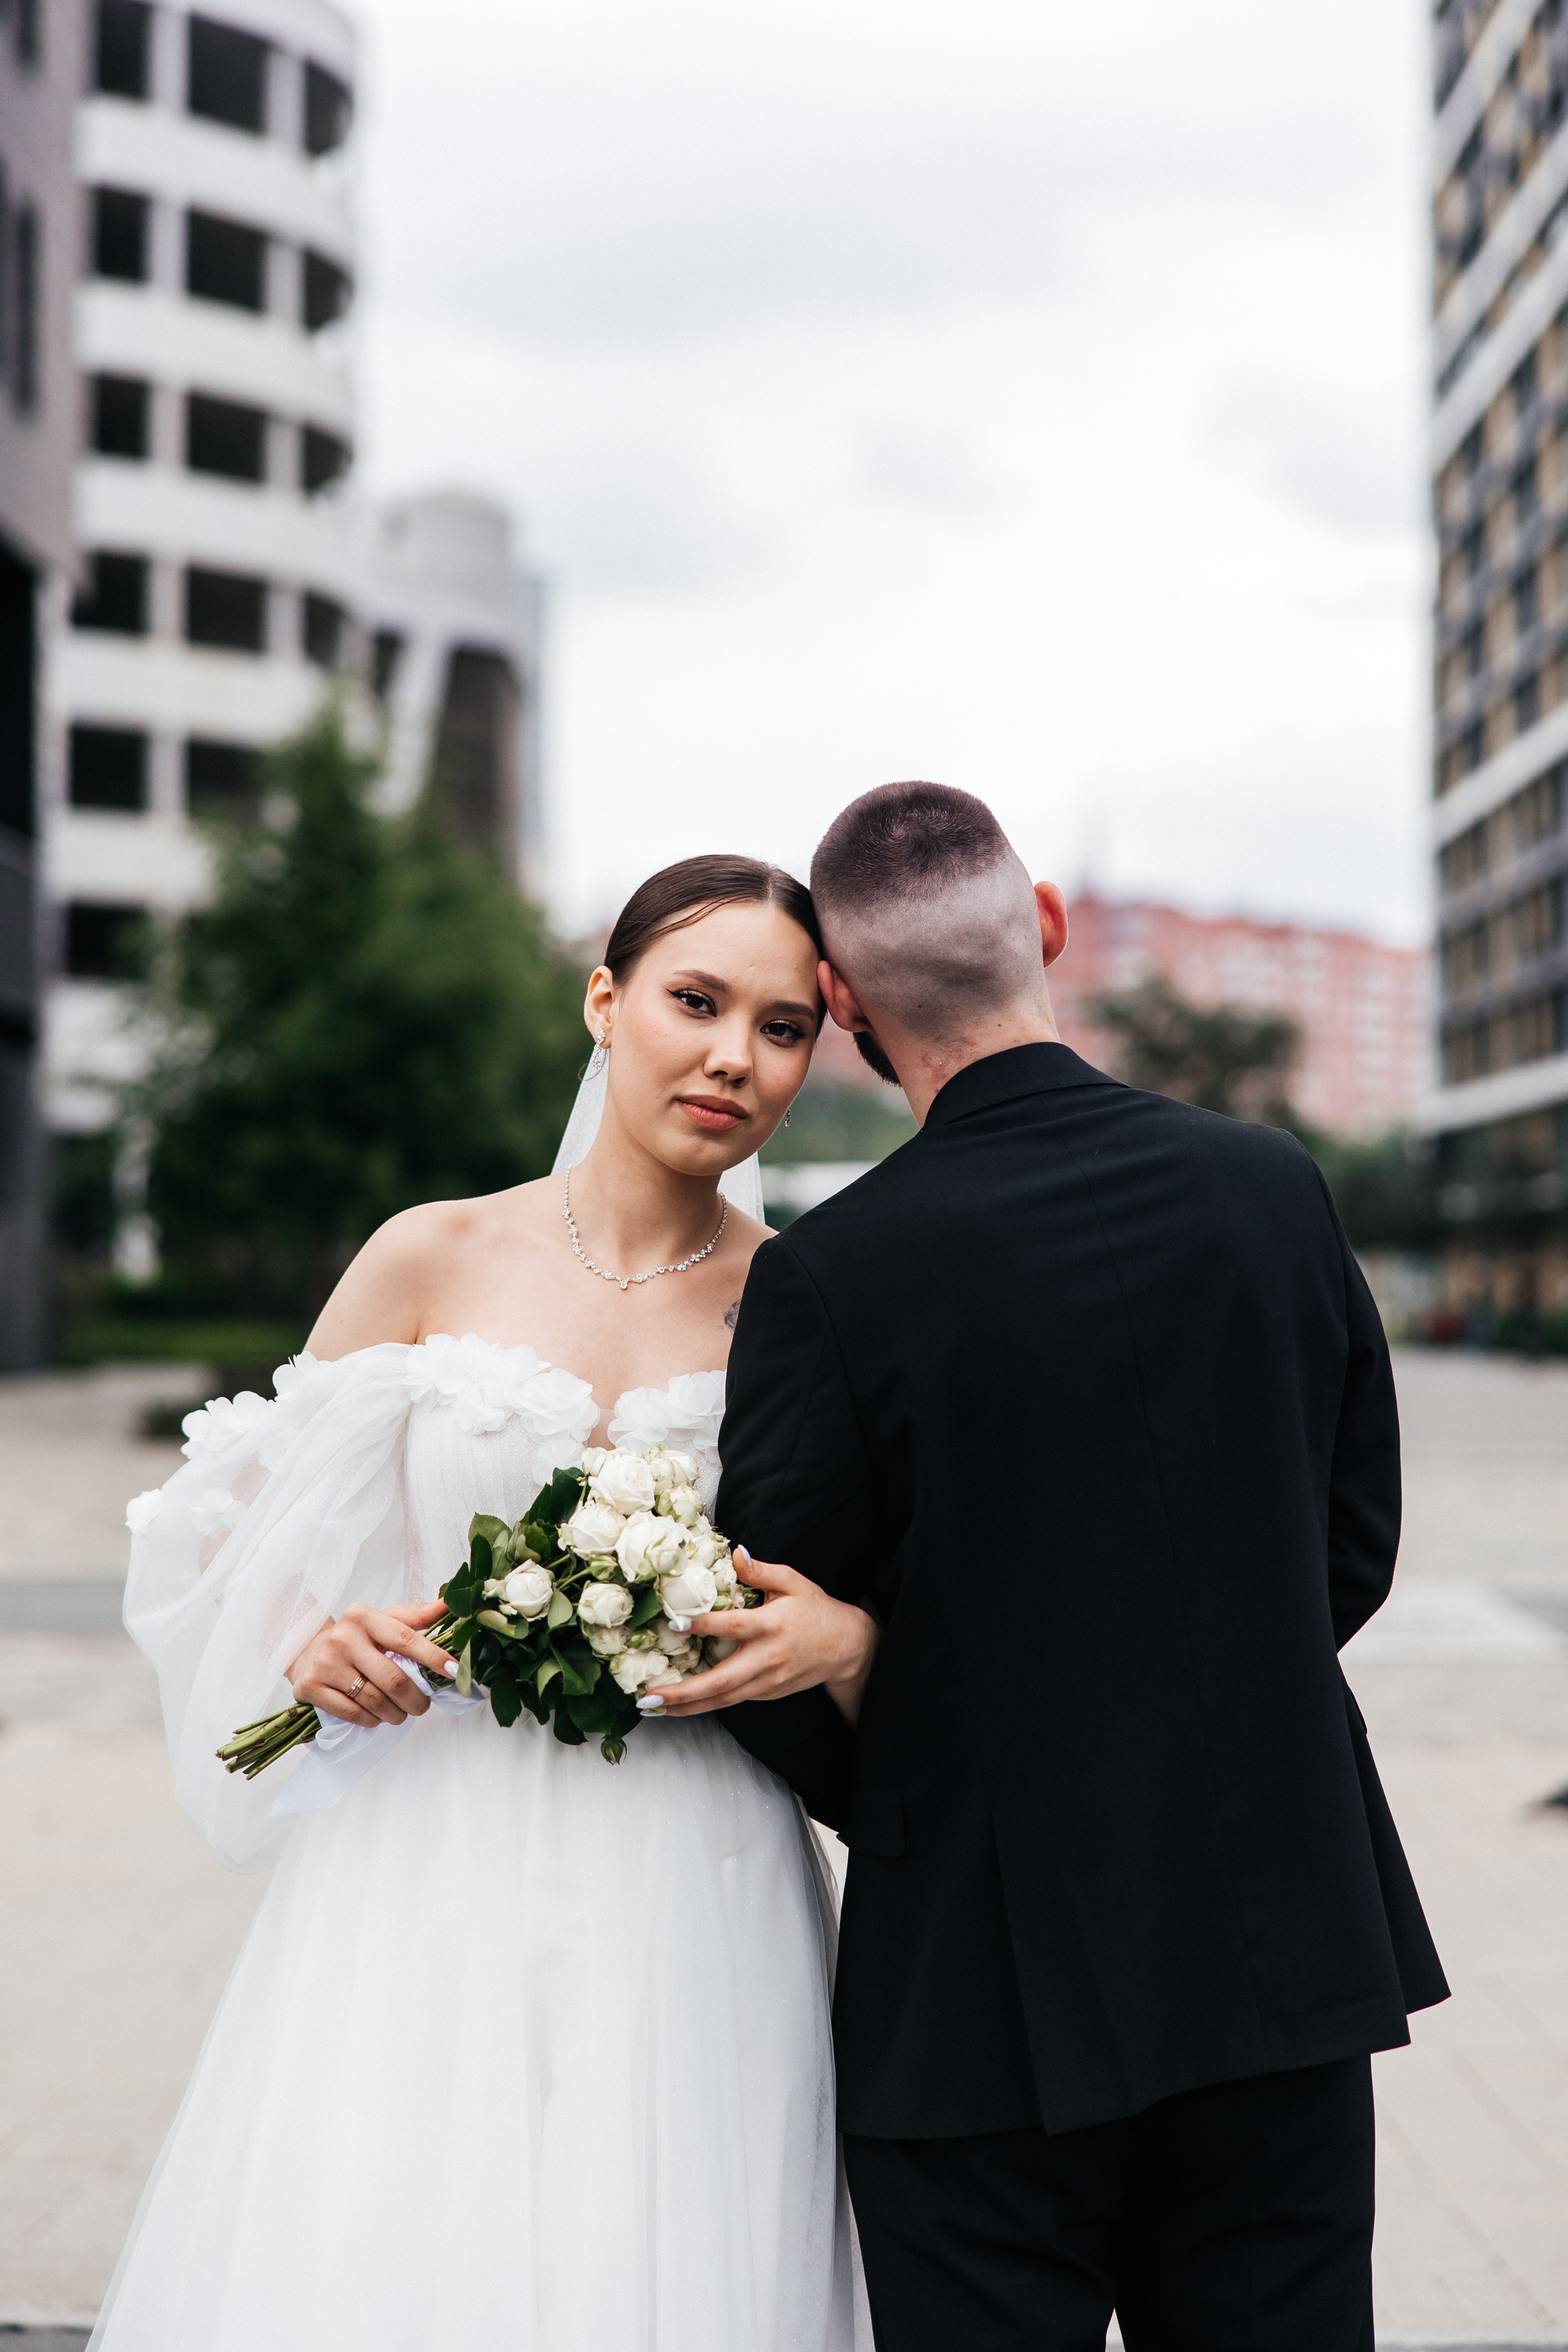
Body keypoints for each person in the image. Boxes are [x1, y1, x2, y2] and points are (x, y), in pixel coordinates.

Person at [657, 783, 1449, 2352]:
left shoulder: (830, 1275)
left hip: (978, 1991)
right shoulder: (1271, 1188)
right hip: (1273, 1950)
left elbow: (766, 1643)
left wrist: (908, 1755)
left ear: (840, 1003)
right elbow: (1347, 1547)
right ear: (1045, 925)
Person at [95, 855, 878, 2352]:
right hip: (428, 1847)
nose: (733, 1056)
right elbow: (241, 1528)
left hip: (696, 1860)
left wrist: (845, 1640)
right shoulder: (431, 1252)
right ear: (603, 1002)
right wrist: (313, 1638)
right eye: (695, 1001)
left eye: (782, 1029)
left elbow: (876, 1581)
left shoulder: (810, 1302)